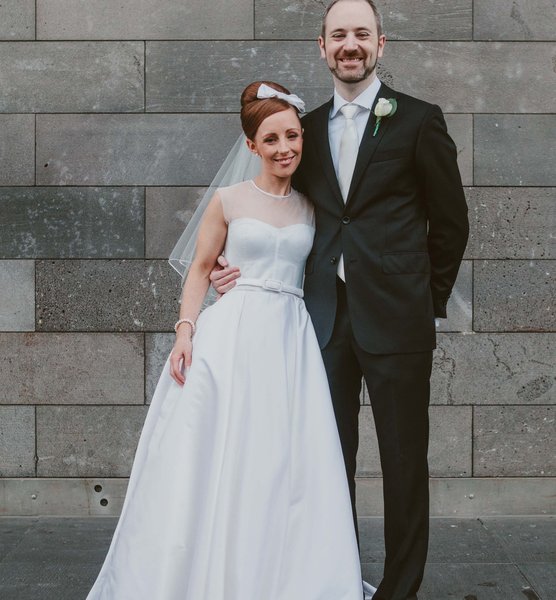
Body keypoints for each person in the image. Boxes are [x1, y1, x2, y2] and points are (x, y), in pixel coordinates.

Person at [210, 2, 470, 599]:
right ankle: (334, 578)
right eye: (337, 36)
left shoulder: (419, 120)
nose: (349, 45)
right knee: (327, 459)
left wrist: (424, 299)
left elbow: (450, 222)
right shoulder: (309, 127)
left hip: (398, 318)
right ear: (321, 47)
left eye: (360, 34)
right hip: (321, 319)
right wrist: (233, 260)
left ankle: (400, 588)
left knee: (405, 461)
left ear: (381, 43)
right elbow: (276, 201)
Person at [86, 81, 367, 599]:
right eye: (271, 138)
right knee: (220, 453)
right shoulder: (228, 200)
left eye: (292, 135)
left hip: (290, 339)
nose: (285, 147)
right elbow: (198, 270)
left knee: (283, 460)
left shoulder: (313, 207)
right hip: (233, 332)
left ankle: (278, 572)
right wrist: (185, 332)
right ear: (251, 147)